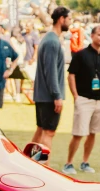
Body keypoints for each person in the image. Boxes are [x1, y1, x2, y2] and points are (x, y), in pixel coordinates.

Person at [62, 25, 100, 176]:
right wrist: (76, 96)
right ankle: (68, 163)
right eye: (99, 35)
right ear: (92, 36)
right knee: (78, 133)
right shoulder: (81, 55)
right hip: (84, 99)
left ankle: (85, 162)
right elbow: (71, 75)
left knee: (93, 133)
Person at [32, 7, 71, 150]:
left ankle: (27, 164)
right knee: (48, 133)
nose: (70, 22)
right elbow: (51, 71)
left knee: (41, 130)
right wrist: (57, 96)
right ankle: (43, 168)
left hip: (43, 96)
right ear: (61, 19)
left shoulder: (50, 39)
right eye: (69, 19)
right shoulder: (51, 42)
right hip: (48, 97)